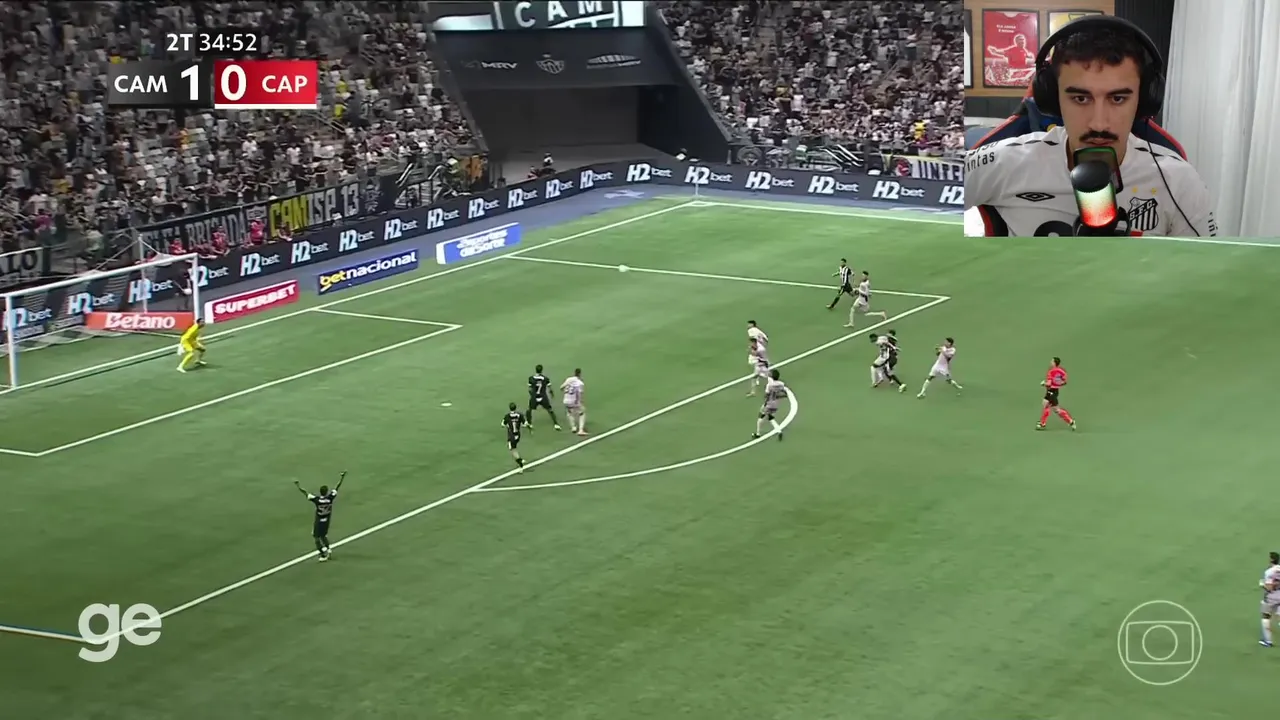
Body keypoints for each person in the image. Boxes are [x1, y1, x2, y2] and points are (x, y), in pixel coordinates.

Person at [965, 16, 1216, 237]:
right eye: (1080, 98)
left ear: (1143, 100)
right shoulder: (1002, 163)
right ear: (1053, 98)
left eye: (1118, 99)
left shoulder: (1179, 182)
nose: (1098, 123)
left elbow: (1206, 268)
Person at [294, 472, 345, 562]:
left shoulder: (317, 500)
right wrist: (342, 477)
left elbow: (306, 493)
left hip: (319, 521)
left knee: (316, 538)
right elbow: (337, 487)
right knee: (323, 536)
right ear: (326, 492)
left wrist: (298, 486)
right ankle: (328, 549)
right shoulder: (330, 498)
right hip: (327, 520)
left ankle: (322, 554)